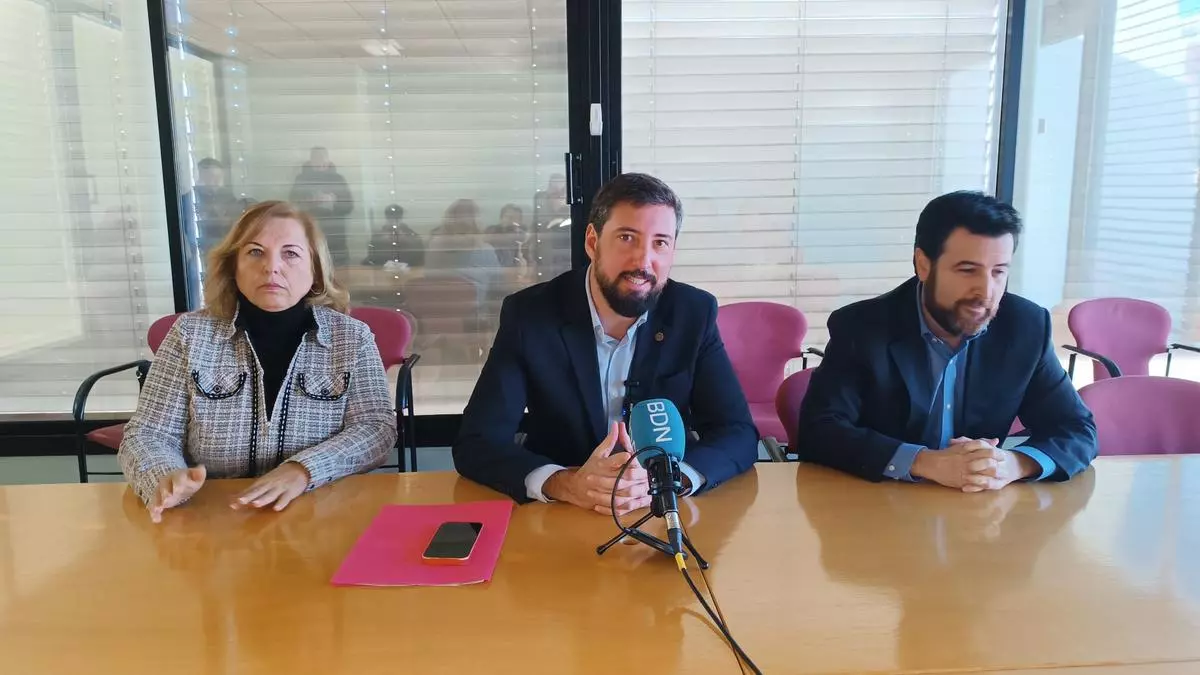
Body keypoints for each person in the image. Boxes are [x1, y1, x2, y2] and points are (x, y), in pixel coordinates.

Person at [452, 173, 758, 511]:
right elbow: (478, 441)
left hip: (661, 508)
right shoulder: (530, 315)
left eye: (660, 243)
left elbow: (737, 432)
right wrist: (563, 483)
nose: (643, 262)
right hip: (564, 509)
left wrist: (671, 481)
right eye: (627, 238)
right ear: (592, 242)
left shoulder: (693, 312)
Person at [795, 191, 1097, 489]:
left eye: (998, 272)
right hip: (881, 501)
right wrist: (924, 462)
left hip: (979, 506)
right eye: (967, 270)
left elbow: (1077, 429)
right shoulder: (862, 327)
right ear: (923, 264)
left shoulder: (1025, 326)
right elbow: (819, 431)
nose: (985, 291)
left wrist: (1012, 464)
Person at [118, 200, 396, 522]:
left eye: (290, 253)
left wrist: (304, 470)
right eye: (255, 252)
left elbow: (376, 429)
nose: (271, 267)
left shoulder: (351, 338)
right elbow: (148, 434)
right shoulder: (190, 335)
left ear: (315, 269)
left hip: (321, 510)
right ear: (233, 266)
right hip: (215, 514)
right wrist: (164, 476)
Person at [289, 147, 354, 266]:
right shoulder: (301, 179)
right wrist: (308, 202)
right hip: (309, 233)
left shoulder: (338, 179)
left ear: (328, 160)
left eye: (322, 158)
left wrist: (333, 201)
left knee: (338, 270)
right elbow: (292, 205)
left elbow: (349, 206)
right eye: (316, 158)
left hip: (334, 238)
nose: (320, 162)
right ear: (311, 161)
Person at [364, 203, 425, 268]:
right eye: (390, 218)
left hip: (408, 269)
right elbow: (371, 258)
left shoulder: (411, 235)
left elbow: (419, 258)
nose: (393, 221)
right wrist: (381, 241)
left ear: (401, 218)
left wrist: (406, 241)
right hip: (383, 270)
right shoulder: (378, 237)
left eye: (396, 218)